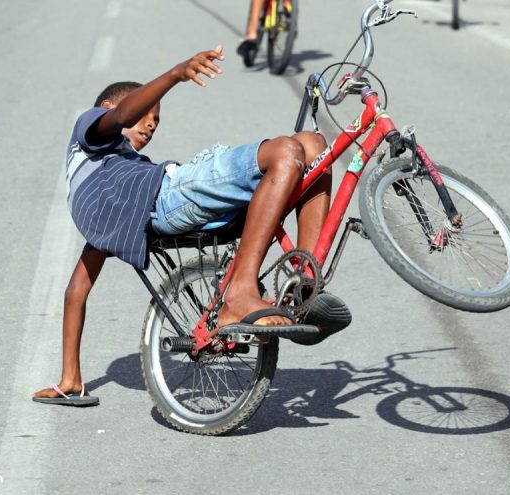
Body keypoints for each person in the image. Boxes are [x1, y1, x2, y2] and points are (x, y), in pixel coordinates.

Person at [32, 44, 348, 407]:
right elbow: (120, 114)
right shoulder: (90, 130)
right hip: (172, 192)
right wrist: (174, 75)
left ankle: (304, 284)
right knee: (287, 152)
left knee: (314, 146)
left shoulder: (110, 191)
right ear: (106, 111)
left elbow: (76, 290)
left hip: (180, 203)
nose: (151, 124)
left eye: (157, 120)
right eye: (145, 115)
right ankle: (240, 293)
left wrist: (70, 377)